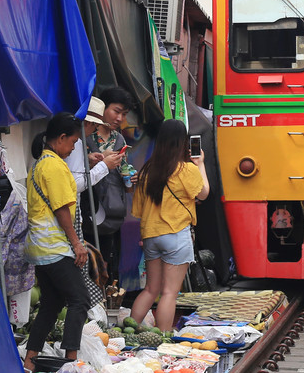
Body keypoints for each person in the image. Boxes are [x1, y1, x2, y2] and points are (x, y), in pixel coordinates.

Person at [22, 113, 89, 372]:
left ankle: (30, 360)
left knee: (51, 303)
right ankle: (70, 360)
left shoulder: (38, 164)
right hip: (54, 246)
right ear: (60, 139)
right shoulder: (54, 166)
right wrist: (77, 244)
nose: (73, 148)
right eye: (72, 142)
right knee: (79, 300)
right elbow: (62, 209)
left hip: (38, 246)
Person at [129, 119, 210, 332]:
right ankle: (164, 338)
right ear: (182, 142)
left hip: (151, 236)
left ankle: (128, 330)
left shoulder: (146, 171)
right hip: (175, 234)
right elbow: (203, 193)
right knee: (169, 293)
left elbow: (138, 209)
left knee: (150, 289)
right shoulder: (185, 169)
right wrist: (200, 164)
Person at [87, 87, 134, 280]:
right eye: (116, 111)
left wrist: (130, 178)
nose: (120, 118)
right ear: (103, 108)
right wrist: (96, 160)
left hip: (111, 209)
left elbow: (125, 180)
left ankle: (101, 301)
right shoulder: (87, 134)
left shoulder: (119, 139)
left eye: (124, 114)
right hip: (88, 206)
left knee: (104, 261)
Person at [66, 97, 124, 243]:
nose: (95, 130)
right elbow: (76, 184)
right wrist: (104, 165)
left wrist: (90, 160)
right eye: (95, 126)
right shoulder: (77, 143)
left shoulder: (77, 142)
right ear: (88, 123)